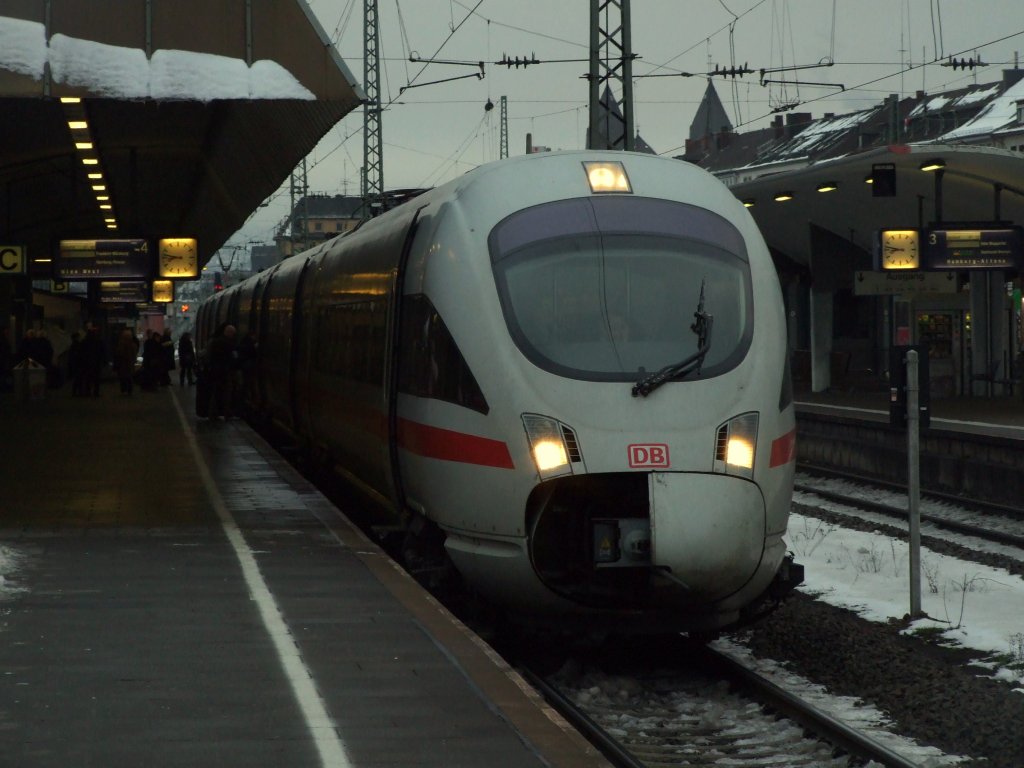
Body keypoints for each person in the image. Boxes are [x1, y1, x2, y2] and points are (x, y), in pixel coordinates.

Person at [205, 323, 237, 419]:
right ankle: (224, 413)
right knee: (224, 392)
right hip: (223, 371)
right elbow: (230, 357)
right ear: (229, 332)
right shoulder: (226, 343)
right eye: (232, 334)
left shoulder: (216, 341)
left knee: (216, 392)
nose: (233, 336)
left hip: (215, 370)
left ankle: (214, 413)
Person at [77, 324, 106, 397]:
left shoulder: (84, 342)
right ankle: (96, 392)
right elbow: (102, 352)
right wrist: (103, 360)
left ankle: (88, 391)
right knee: (96, 378)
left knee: (88, 377)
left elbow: (81, 352)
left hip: (87, 362)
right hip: (96, 362)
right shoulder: (98, 341)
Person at [113, 329, 139, 395]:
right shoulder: (133, 344)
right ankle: (129, 390)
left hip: (123, 363)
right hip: (129, 363)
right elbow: (134, 353)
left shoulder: (121, 344)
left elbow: (119, 353)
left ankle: (124, 390)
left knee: (123, 377)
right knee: (129, 377)